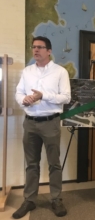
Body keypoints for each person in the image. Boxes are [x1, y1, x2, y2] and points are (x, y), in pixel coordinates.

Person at [14, 36, 71, 219]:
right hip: (30, 122)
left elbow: (66, 97)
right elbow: (18, 92)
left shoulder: (60, 72)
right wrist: (24, 100)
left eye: (40, 47)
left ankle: (56, 199)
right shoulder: (27, 72)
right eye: (34, 47)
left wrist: (43, 95)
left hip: (50, 122)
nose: (36, 50)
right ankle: (29, 199)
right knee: (31, 164)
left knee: (54, 163)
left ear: (49, 51)